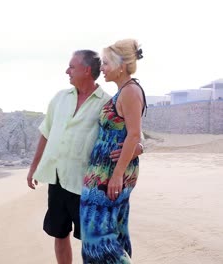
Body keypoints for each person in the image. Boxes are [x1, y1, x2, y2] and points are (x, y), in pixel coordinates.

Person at [27, 50, 143, 264]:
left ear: (86, 70)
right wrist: (34, 167)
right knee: (59, 234)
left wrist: (135, 149)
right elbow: (46, 132)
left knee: (91, 242)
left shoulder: (107, 103)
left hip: (88, 185)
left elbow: (136, 137)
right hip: (58, 179)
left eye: (71, 67)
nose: (67, 71)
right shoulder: (60, 98)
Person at [80, 39, 146, 263]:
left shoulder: (130, 91)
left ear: (121, 65)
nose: (102, 69)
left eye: (106, 63)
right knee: (115, 233)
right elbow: (135, 135)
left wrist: (117, 175)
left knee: (97, 240)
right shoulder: (125, 92)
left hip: (110, 175)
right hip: (107, 173)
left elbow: (134, 134)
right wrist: (138, 147)